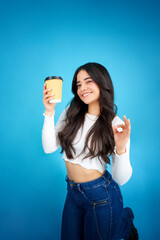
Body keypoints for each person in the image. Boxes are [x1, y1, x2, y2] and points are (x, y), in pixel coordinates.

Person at [42, 62, 138, 240]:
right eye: (78, 84)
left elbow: (120, 179)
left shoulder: (116, 124)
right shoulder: (72, 112)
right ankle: (120, 221)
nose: (82, 88)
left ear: (102, 83)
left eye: (88, 81)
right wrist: (49, 112)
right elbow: (49, 147)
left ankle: (124, 224)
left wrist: (121, 147)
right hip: (72, 193)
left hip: (101, 195)